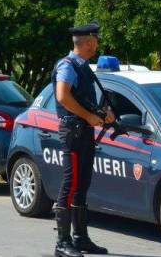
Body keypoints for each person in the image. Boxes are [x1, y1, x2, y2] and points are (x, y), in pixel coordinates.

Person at [51, 20, 113, 257]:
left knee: (82, 185)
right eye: (95, 40)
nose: (97, 44)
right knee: (70, 185)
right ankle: (62, 242)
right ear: (87, 42)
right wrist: (88, 116)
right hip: (73, 132)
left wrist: (102, 115)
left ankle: (80, 238)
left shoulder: (84, 67)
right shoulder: (68, 66)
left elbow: (83, 100)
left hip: (84, 132)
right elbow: (63, 97)